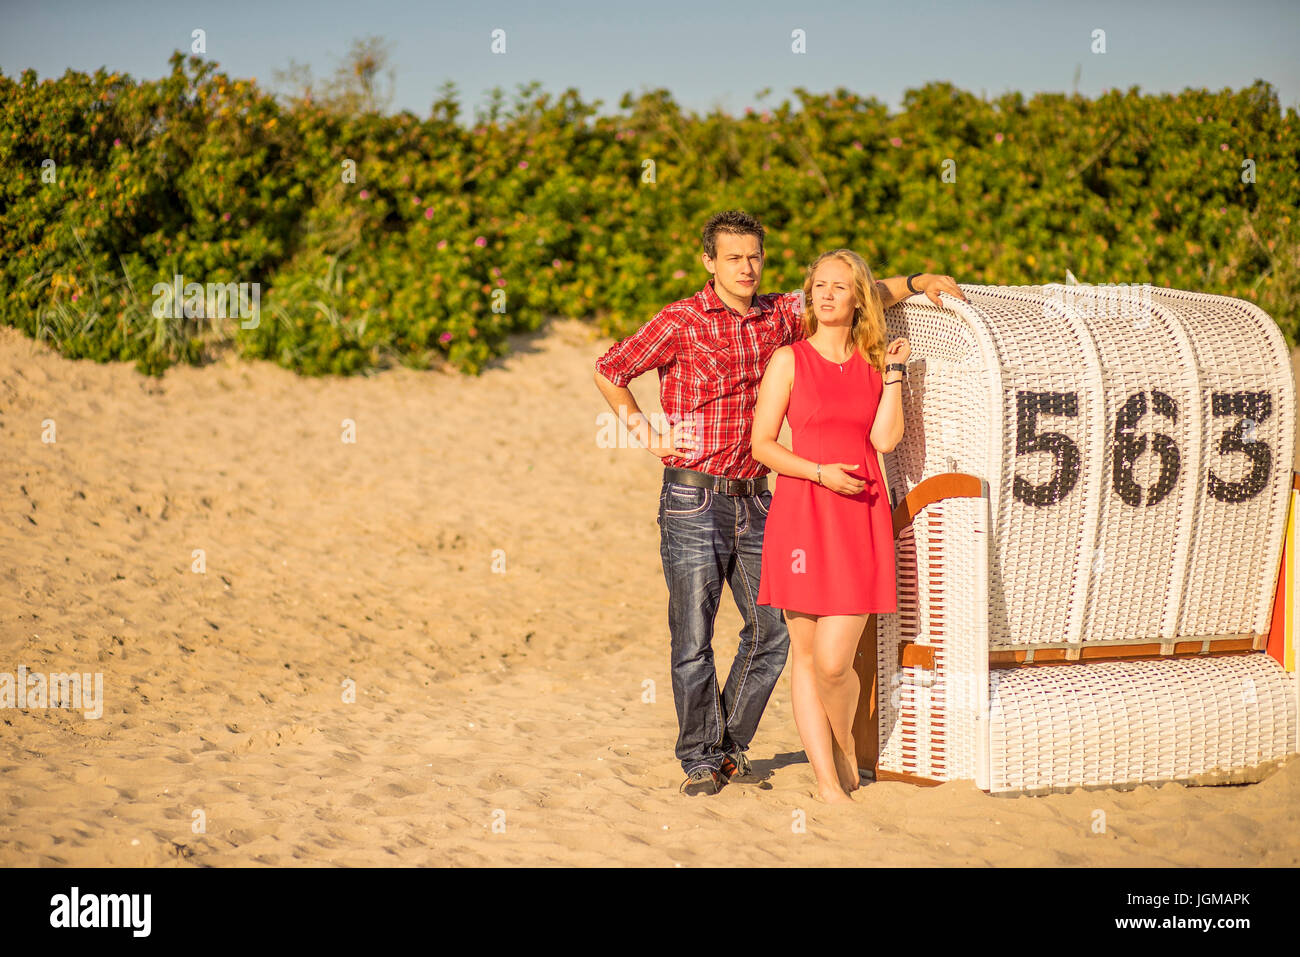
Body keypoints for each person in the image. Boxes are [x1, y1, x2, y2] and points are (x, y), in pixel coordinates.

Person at [593, 209, 963, 796]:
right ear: (708, 262)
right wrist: (644, 431)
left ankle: (730, 747)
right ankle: (699, 759)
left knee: (773, 635)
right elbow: (611, 368)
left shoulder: (778, 315)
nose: (745, 267)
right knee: (693, 638)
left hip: (761, 500)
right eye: (732, 257)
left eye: (753, 257)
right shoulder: (680, 321)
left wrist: (919, 283)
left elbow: (860, 292)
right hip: (692, 497)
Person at [752, 248, 917, 803]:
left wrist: (894, 374)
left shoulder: (875, 364)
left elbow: (885, 440)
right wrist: (820, 473)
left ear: (858, 298)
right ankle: (827, 780)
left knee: (833, 661)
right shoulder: (789, 360)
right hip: (802, 512)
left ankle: (845, 743)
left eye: (839, 286)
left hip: (860, 517)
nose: (825, 294)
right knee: (804, 654)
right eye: (818, 284)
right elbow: (763, 446)